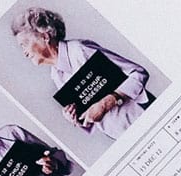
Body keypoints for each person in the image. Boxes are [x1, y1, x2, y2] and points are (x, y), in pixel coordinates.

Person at [13, 7, 153, 139]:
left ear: (45, 36)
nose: (24, 52)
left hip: (145, 119)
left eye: (24, 44)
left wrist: (106, 103)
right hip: (121, 136)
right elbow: (91, 116)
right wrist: (76, 117)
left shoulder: (80, 50)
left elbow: (138, 73)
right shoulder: (55, 75)